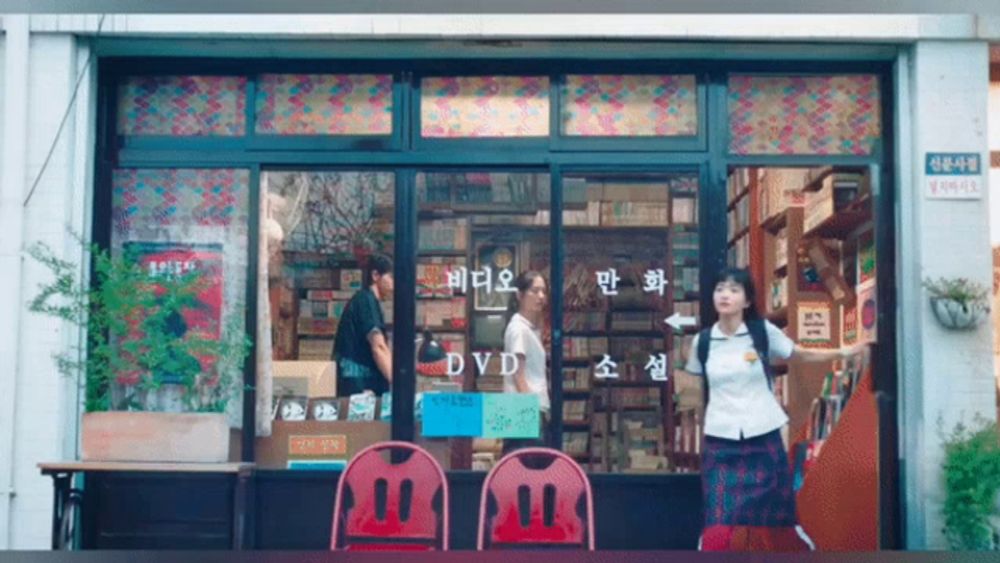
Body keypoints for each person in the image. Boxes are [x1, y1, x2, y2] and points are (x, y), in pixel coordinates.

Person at [684, 267, 868, 552]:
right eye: (720, 289)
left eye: (734, 290)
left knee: (779, 518)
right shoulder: (703, 342)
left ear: (746, 301)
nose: (725, 295)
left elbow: (799, 353)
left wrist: (843, 351)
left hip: (762, 436)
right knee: (718, 519)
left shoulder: (761, 332)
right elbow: (695, 390)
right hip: (720, 442)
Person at [333, 253, 394, 397]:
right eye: (391, 277)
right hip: (360, 389)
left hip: (360, 388)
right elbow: (378, 347)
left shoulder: (368, 301)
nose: (394, 284)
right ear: (375, 275)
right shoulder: (366, 301)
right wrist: (399, 383)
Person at [502, 270, 550, 452]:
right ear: (519, 295)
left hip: (524, 408)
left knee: (522, 467)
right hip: (524, 409)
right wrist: (531, 409)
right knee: (525, 467)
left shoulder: (526, 328)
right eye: (535, 291)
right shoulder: (519, 329)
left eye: (543, 291)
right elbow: (518, 375)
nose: (541, 296)